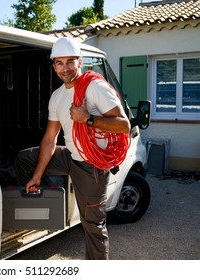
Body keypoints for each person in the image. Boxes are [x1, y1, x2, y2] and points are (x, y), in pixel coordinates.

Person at [15, 37, 131, 260]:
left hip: (92, 165)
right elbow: (50, 139)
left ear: (80, 62)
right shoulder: (57, 97)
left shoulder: (95, 87)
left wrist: (87, 118)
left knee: (93, 225)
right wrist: (37, 176)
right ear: (54, 65)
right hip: (71, 155)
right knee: (25, 158)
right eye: (60, 63)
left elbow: (123, 125)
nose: (65, 68)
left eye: (70, 62)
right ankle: (45, 205)